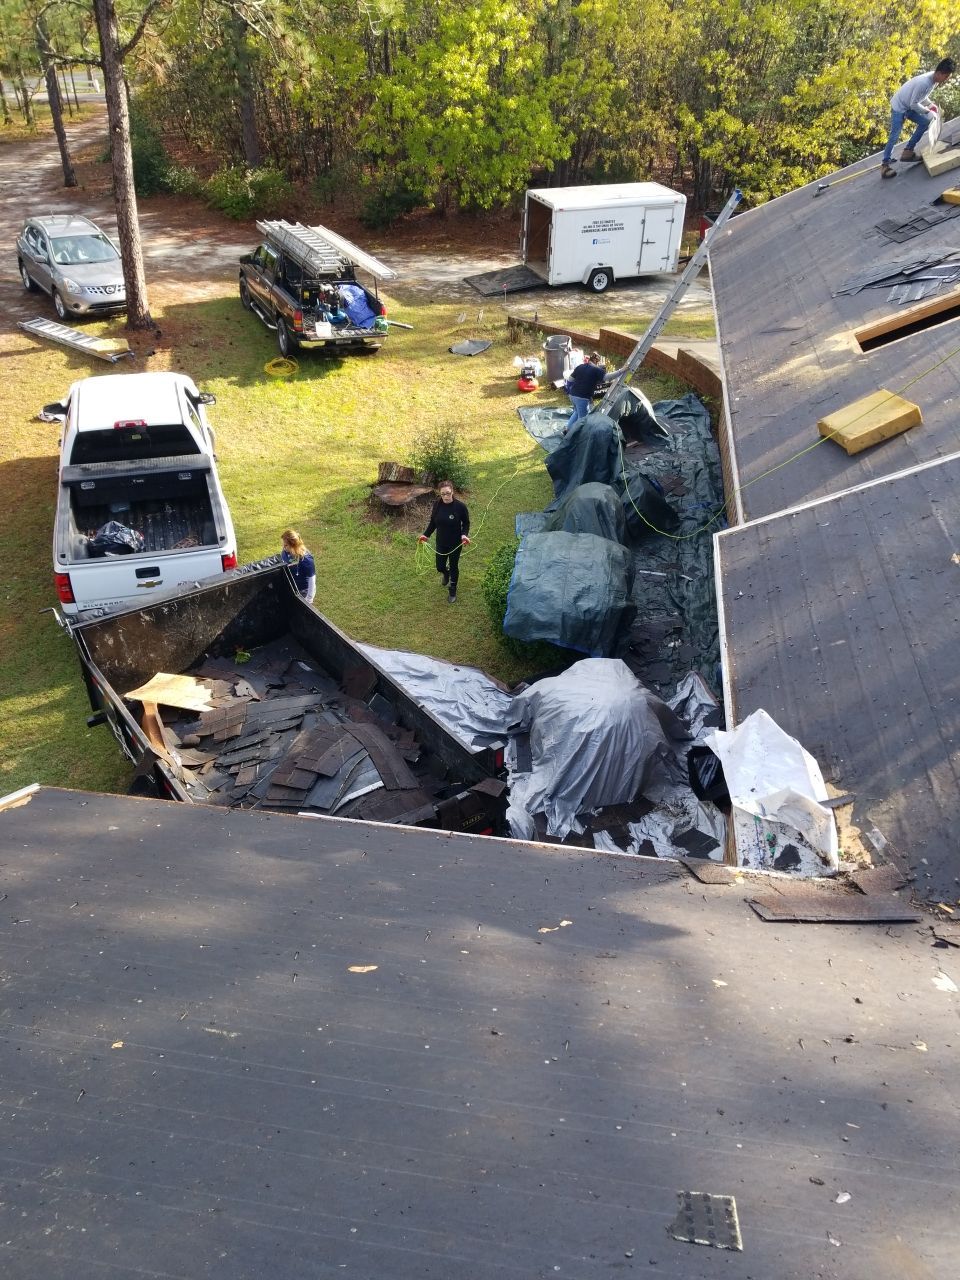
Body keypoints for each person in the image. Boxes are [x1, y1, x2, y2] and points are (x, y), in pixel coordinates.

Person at [881, 58, 954, 178]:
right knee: (894, 136)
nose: (946, 80)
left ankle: (908, 152)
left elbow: (922, 98)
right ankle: (885, 165)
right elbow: (913, 104)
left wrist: (931, 105)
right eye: (946, 77)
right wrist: (928, 110)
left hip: (909, 105)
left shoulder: (934, 81)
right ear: (939, 73)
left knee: (925, 122)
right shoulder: (924, 82)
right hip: (900, 107)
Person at [419, 481, 470, 604]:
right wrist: (426, 535)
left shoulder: (460, 507)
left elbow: (466, 523)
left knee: (453, 566)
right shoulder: (437, 505)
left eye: (448, 493)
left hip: (455, 543)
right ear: (439, 494)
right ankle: (445, 573)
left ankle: (452, 590)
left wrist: (464, 535)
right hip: (441, 542)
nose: (446, 496)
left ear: (452, 491)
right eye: (443, 494)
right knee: (439, 566)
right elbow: (433, 522)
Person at [566, 352, 606, 428]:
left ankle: (568, 429)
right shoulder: (596, 369)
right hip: (582, 398)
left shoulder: (580, 366)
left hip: (572, 395)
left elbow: (570, 379)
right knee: (582, 420)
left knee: (577, 412)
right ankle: (575, 436)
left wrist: (582, 380)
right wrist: (621, 371)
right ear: (596, 361)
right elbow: (607, 378)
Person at [280, 528, 316, 604]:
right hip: (292, 587)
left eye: (286, 545)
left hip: (303, 591)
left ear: (294, 546)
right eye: (283, 544)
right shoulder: (286, 551)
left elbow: (312, 579)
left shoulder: (305, 558)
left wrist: (309, 598)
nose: (283, 547)